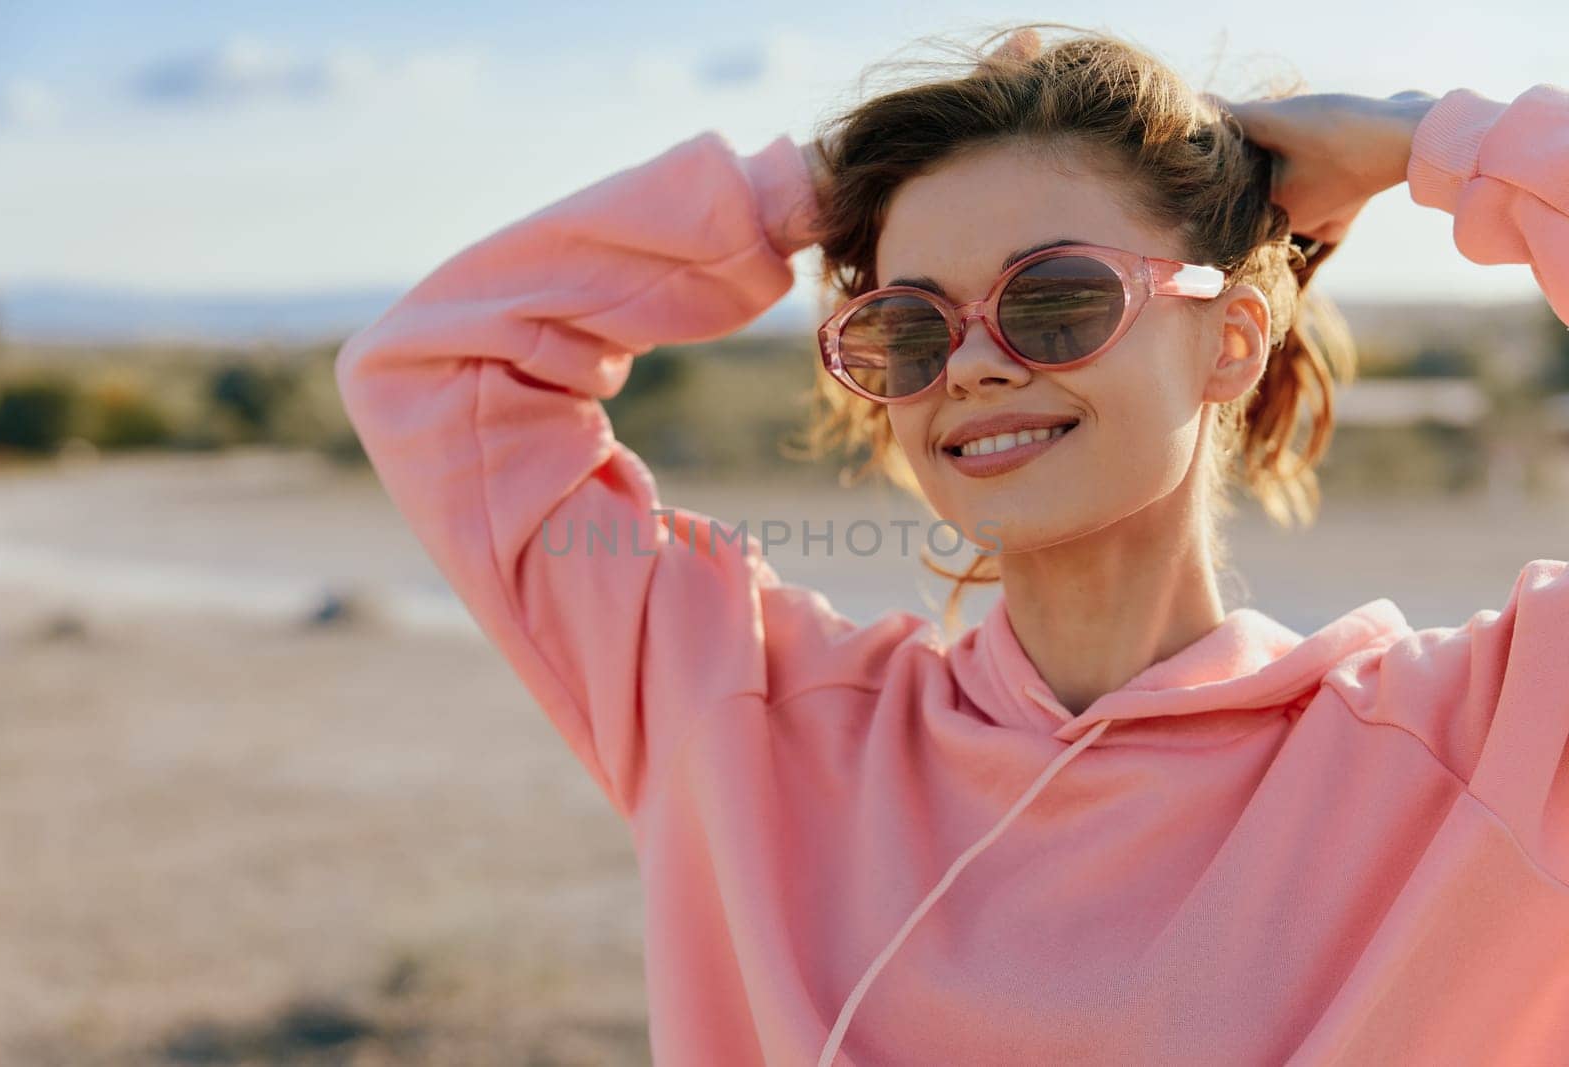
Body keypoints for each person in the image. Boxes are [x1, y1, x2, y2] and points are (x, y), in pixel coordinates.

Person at [334, 21, 1569, 1067]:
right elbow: (440, 368)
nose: (972, 362)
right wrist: (807, 193)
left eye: (1056, 298)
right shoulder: (744, 714)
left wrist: (1432, 144)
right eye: (907, 327)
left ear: (1231, 339)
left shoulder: (1499, 746)